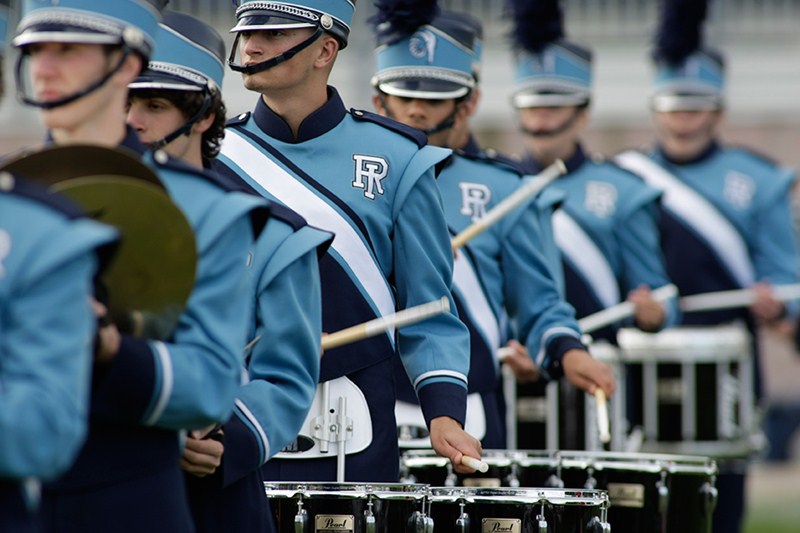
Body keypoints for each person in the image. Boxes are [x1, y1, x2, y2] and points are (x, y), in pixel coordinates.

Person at [12, 1, 267, 531]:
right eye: (35, 50)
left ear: (127, 64)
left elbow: (211, 385)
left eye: (69, 50)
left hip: (128, 501)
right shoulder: (9, 199)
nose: (45, 70)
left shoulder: (206, 209)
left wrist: (112, 348)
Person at [216, 0, 482, 483]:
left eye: (273, 34)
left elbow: (429, 307)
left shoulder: (398, 157)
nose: (250, 46)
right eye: (247, 33)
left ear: (325, 50)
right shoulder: (216, 157)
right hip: (232, 414)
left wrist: (444, 412)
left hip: (356, 420)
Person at [370, 5, 616, 449]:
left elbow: (540, 303)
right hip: (362, 411)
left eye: (434, 100)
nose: (416, 111)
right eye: (403, 97)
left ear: (468, 105)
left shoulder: (506, 189)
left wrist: (567, 349)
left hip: (470, 411)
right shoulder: (351, 182)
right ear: (378, 101)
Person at [127, 12, 331, 532]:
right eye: (123, 102)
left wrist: (227, 435)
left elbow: (286, 377)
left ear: (201, 116)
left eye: (154, 105)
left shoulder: (273, 234)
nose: (133, 121)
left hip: (213, 495)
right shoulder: (78, 216)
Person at [614, 1, 799, 530]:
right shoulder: (627, 177)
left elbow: (788, 280)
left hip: (726, 374)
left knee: (720, 511)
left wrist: (777, 305)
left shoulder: (758, 179)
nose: (683, 118)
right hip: (641, 366)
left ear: (718, 110)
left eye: (697, 106)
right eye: (673, 106)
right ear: (655, 108)